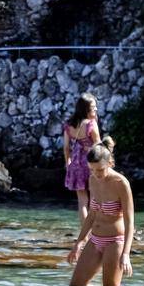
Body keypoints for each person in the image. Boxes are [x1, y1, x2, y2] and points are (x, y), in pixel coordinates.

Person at [67, 137, 134, 286]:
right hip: (95, 239)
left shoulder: (121, 184)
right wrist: (79, 243)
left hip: (115, 242)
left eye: (100, 170)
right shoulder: (92, 180)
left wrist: (126, 254)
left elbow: (130, 223)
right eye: (92, 169)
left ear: (110, 163)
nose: (96, 174)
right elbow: (91, 215)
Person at [63, 92, 101, 223]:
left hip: (76, 165)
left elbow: (66, 147)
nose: (96, 109)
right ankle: (96, 230)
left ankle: (85, 233)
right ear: (86, 109)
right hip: (91, 165)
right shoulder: (91, 124)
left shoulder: (68, 125)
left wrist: (67, 162)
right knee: (94, 199)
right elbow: (98, 146)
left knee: (82, 202)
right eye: (93, 107)